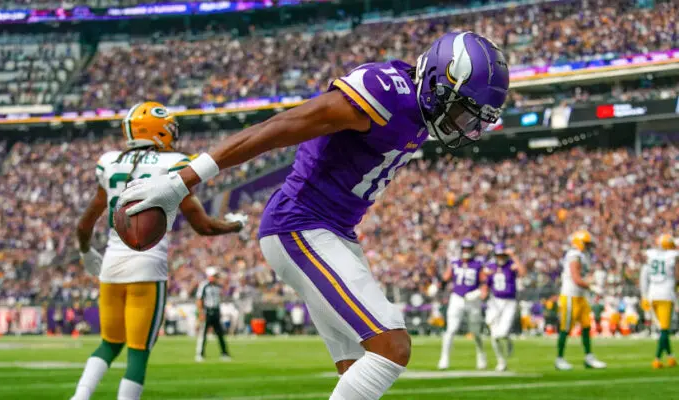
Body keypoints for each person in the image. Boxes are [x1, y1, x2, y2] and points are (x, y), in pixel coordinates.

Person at [117, 32, 509, 399]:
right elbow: (280, 127)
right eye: (461, 111)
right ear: (438, 80)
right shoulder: (386, 93)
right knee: (392, 345)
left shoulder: (421, 109)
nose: (464, 126)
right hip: (300, 224)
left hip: (334, 232)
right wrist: (183, 180)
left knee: (357, 368)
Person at [70, 101, 246, 400]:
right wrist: (234, 226)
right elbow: (203, 226)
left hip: (111, 266)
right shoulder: (174, 164)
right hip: (147, 267)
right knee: (138, 353)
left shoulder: (110, 162)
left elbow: (85, 224)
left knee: (109, 343)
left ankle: (80, 397)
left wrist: (87, 253)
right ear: (159, 132)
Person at [555, 230, 607, 371]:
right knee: (565, 328)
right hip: (570, 296)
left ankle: (589, 357)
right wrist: (592, 287)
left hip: (580, 296)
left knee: (586, 326)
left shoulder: (582, 256)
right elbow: (576, 278)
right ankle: (559, 359)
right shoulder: (574, 255)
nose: (589, 246)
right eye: (586, 243)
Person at [438, 239, 488, 370]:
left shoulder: (478, 264)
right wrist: (436, 286)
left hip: (472, 300)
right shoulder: (454, 263)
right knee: (451, 329)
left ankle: (481, 354)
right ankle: (444, 358)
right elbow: (445, 278)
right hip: (457, 298)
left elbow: (484, 282)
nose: (466, 251)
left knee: (475, 332)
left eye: (469, 249)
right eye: (464, 249)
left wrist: (479, 293)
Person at [641, 234, 679, 369]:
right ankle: (657, 359)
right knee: (664, 329)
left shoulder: (651, 255)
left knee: (662, 328)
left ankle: (671, 357)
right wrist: (675, 286)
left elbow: (644, 274)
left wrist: (644, 295)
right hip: (666, 294)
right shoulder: (673, 256)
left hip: (652, 294)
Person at [485, 243, 526, 372]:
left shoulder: (511, 265)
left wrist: (513, 255)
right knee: (494, 335)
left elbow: (523, 272)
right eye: (498, 255)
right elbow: (486, 284)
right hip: (495, 302)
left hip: (509, 302)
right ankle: (501, 361)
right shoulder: (490, 267)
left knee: (501, 333)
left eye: (503, 255)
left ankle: (508, 340)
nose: (501, 258)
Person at [196, 267, 231, 362]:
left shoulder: (217, 286)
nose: (216, 277)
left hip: (215, 311)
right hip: (207, 311)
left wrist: (219, 312)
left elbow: (218, 300)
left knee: (220, 334)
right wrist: (201, 313)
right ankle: (200, 354)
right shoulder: (204, 285)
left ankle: (224, 353)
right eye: (214, 276)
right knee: (203, 334)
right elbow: (199, 299)